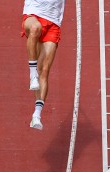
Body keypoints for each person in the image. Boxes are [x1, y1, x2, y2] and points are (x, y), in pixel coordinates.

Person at [21, 0, 66, 130]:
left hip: (53, 22)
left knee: (45, 70)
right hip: (34, 14)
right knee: (35, 28)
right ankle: (32, 73)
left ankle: (37, 115)